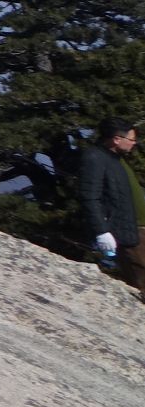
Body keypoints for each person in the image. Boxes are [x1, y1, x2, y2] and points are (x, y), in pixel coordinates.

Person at [76, 116, 144, 299]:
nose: (134, 143)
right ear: (116, 139)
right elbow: (90, 197)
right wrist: (102, 231)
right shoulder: (95, 157)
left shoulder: (115, 158)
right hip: (129, 232)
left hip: (137, 228)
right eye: (131, 139)